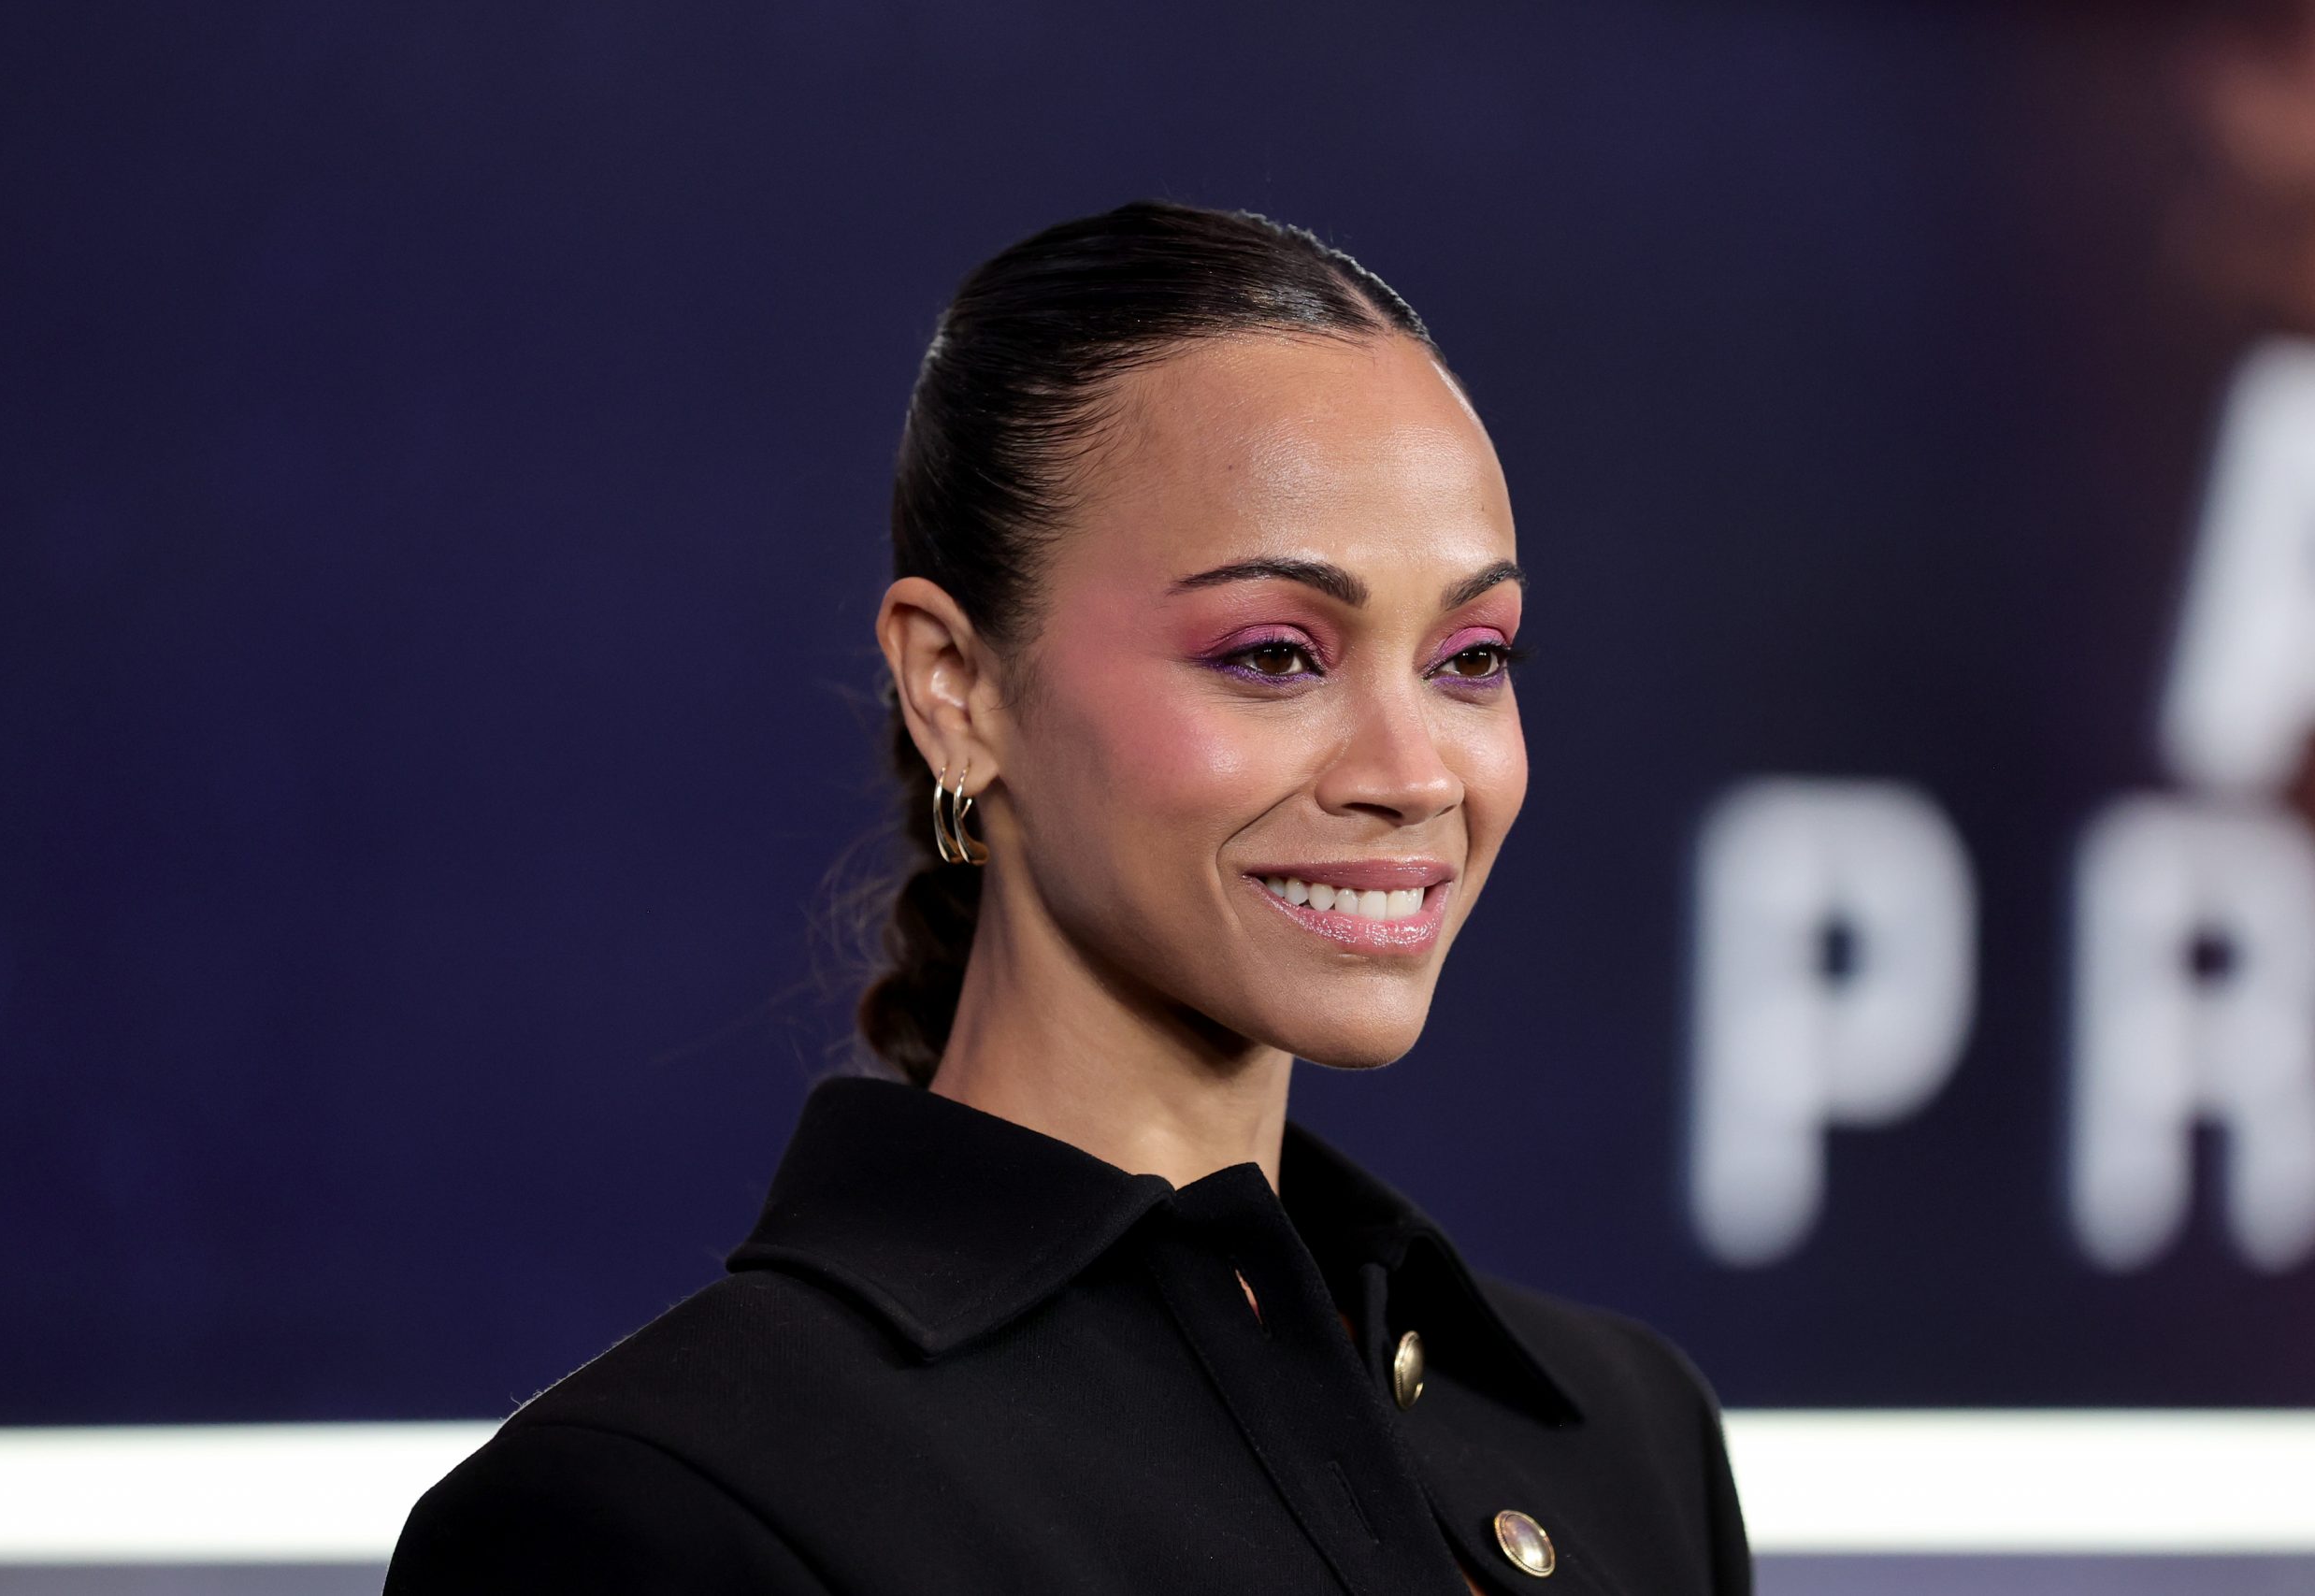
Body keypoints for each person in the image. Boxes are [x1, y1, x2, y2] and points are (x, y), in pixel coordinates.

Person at [385, 200, 1751, 1595]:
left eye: (1470, 658)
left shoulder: (1627, 1440)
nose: (1413, 776)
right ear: (954, 685)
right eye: (1274, 655)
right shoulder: (652, 1505)